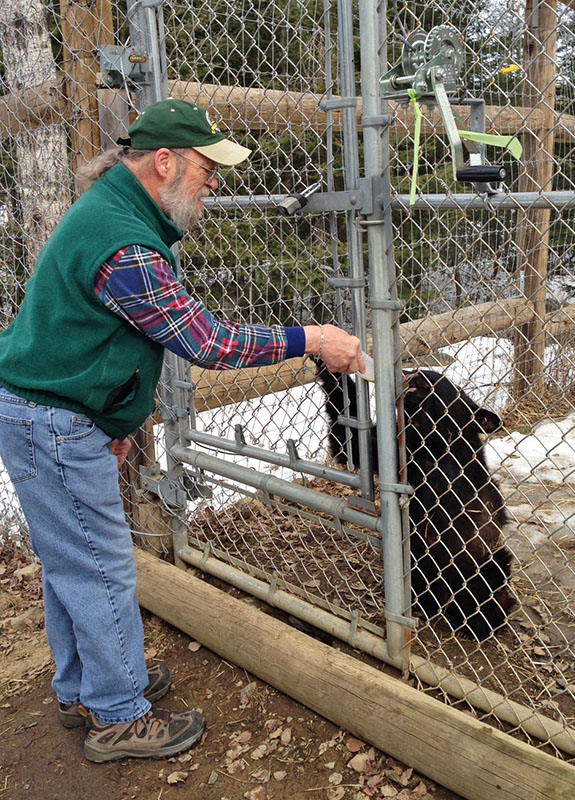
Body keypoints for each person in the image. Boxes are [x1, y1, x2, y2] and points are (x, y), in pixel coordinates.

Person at [0, 98, 363, 763]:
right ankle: (118, 715)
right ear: (164, 162)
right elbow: (207, 342)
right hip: (51, 417)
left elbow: (92, 334)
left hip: (48, 411)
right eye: (206, 169)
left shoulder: (114, 212)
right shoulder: (125, 242)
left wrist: (107, 419)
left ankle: (85, 689)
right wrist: (312, 339)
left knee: (71, 561)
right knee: (100, 565)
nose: (214, 184)